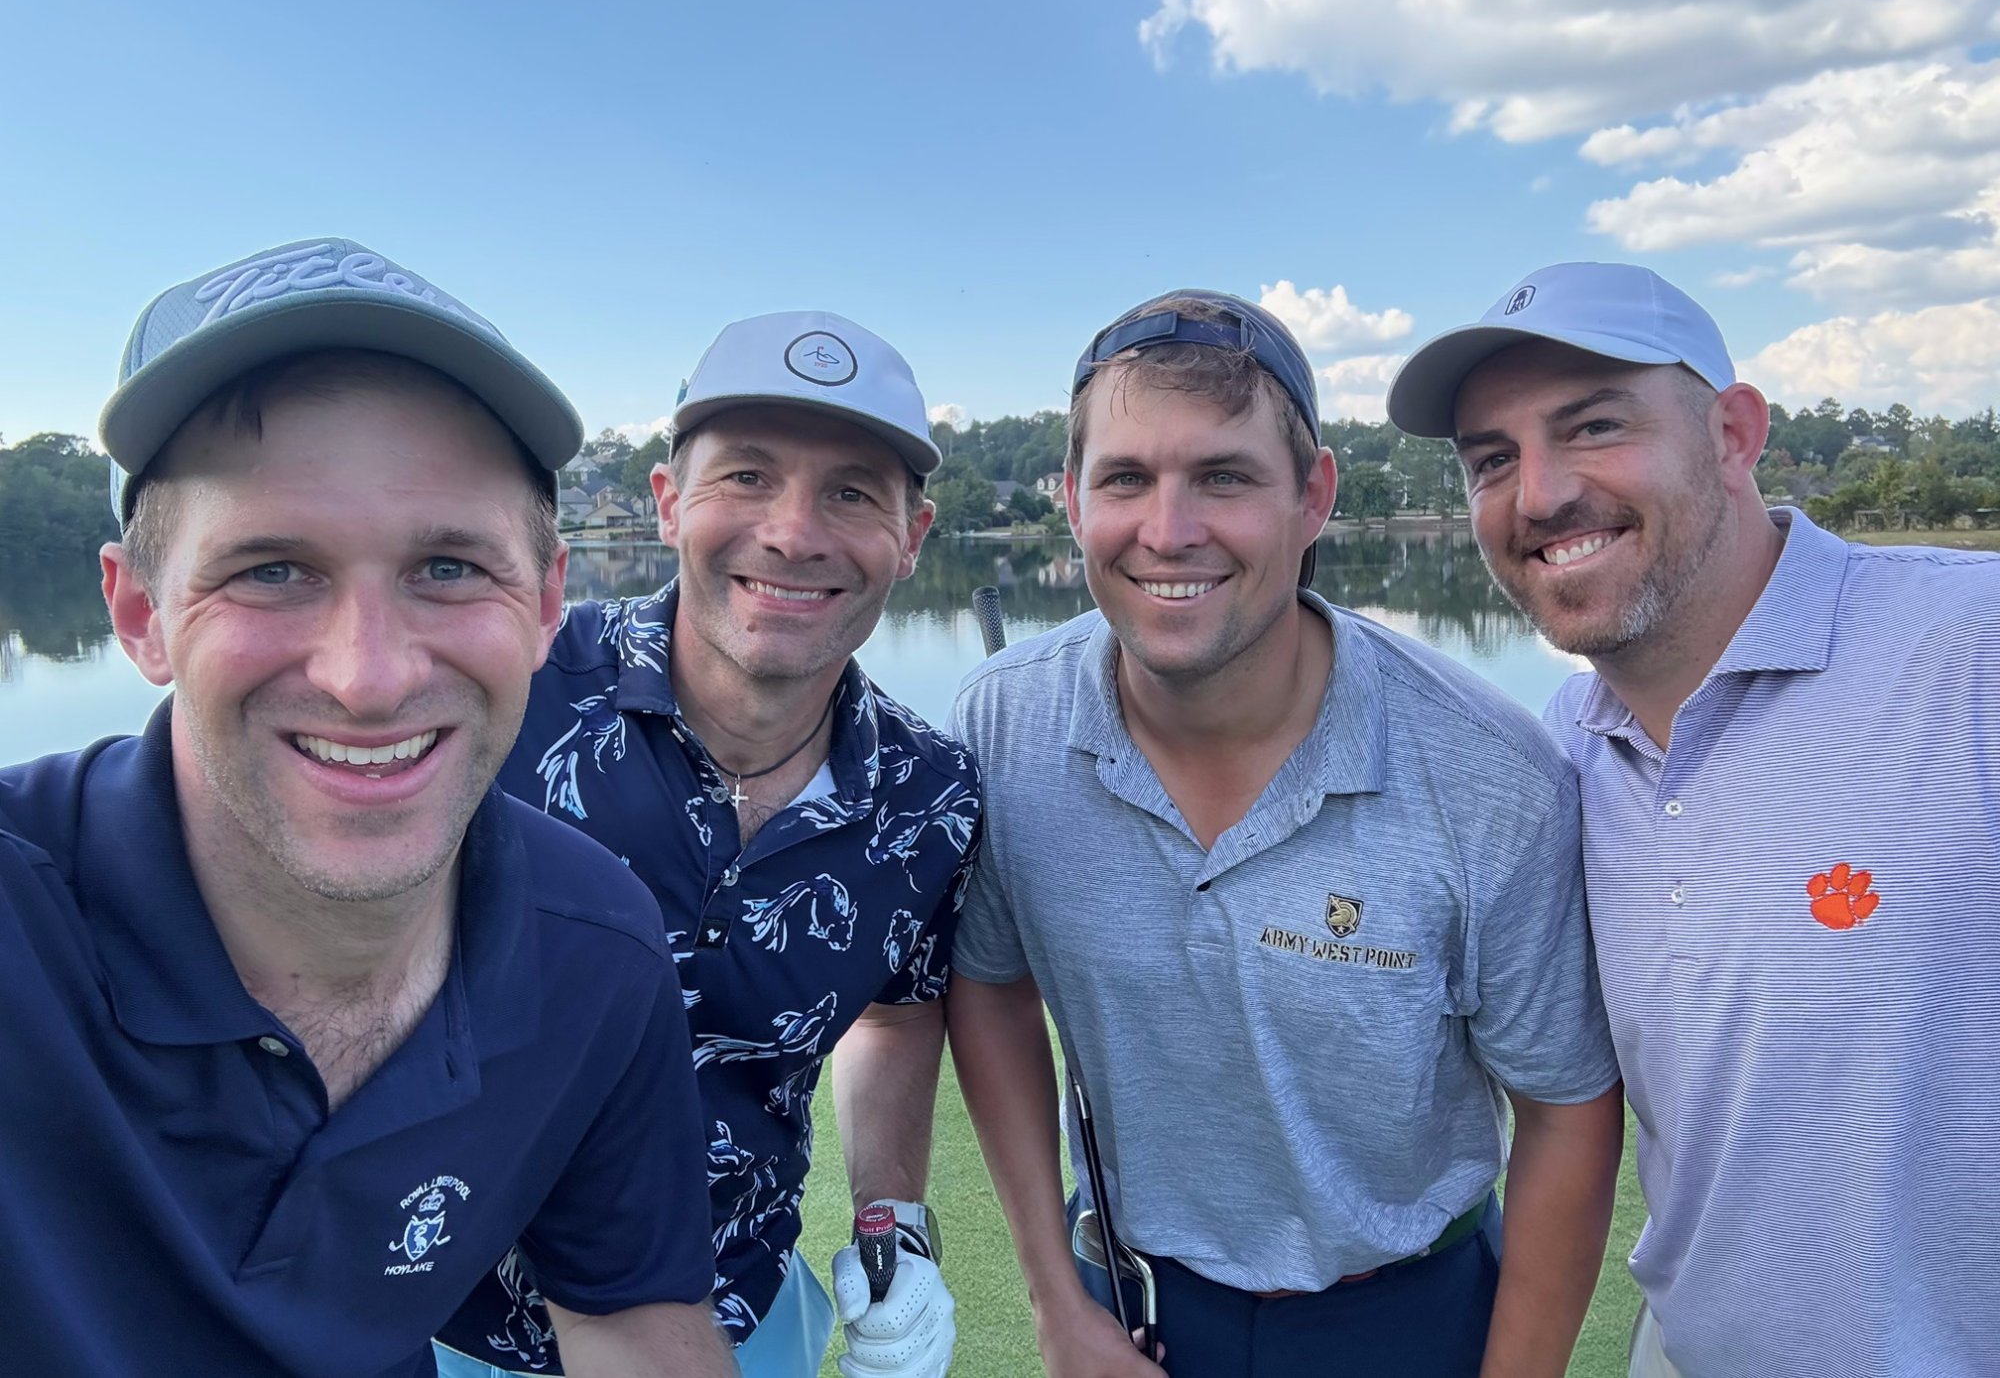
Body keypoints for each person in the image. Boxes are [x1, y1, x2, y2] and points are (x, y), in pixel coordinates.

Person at [0, 238, 731, 1376]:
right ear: (140, 612)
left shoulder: (595, 950)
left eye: (446, 567)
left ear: (544, 606)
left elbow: (631, 1316)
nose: (369, 675)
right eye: (271, 570)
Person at [945, 290, 1624, 1377]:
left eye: (1223, 476)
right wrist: (1050, 1296)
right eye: (1125, 479)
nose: (1167, 531)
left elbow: (1564, 1107)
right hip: (1128, 1300)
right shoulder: (1001, 722)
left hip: (1409, 1313)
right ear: (1070, 499)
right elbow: (985, 983)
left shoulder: (1487, 774)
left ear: (1312, 497)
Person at [1388, 260, 2000, 1378]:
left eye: (1592, 425)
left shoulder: (1969, 652)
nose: (1536, 495)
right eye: (1491, 460)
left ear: (1731, 433)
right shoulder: (1558, 758)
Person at [437, 312, 978, 1378]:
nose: (791, 532)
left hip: (740, 1311)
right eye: (745, 476)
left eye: (852, 492)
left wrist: (891, 1219)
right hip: (438, 1321)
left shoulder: (931, 796)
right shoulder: (504, 692)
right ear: (668, 500)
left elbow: (898, 1010)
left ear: (911, 538)